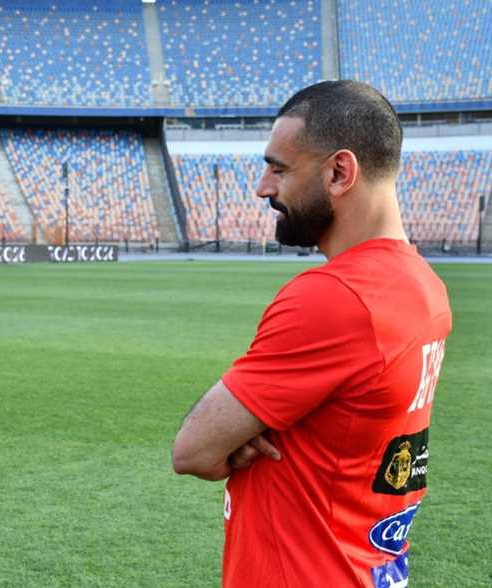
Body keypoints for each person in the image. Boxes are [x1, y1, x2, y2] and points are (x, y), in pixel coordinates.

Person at [172, 80, 451, 588]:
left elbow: (193, 451)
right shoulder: (422, 285)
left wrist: (235, 439)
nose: (263, 188)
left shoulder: (335, 296)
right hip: (366, 567)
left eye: (279, 169)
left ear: (339, 172)